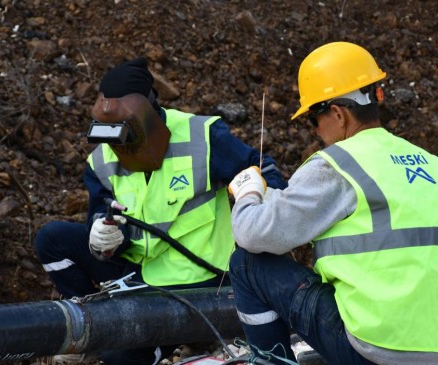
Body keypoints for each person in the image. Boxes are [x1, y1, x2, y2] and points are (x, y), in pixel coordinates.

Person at [226, 42, 438, 365]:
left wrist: (248, 192)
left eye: (313, 118)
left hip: (373, 350)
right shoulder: (432, 165)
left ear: (337, 113)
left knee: (246, 264)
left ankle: (271, 362)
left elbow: (253, 233)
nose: (316, 130)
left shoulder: (336, 165)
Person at [34, 57, 287, 365]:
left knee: (120, 358)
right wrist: (104, 234)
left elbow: (266, 170)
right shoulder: (101, 160)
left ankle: (154, 343)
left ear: (150, 115)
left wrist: (264, 215)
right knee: (51, 239)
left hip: (201, 280)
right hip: (139, 269)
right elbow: (101, 214)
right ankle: (93, 325)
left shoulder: (203, 138)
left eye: (129, 135)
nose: (121, 149)